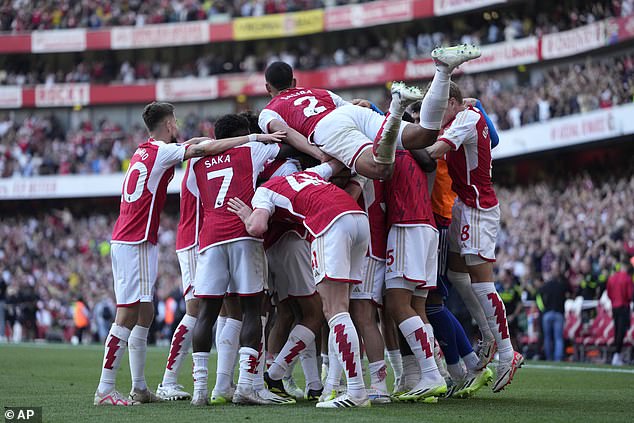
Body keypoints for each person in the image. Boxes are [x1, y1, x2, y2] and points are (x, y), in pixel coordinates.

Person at [94, 102, 279, 406]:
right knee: (127, 313)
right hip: (135, 239)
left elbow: (191, 148)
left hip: (135, 237)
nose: (178, 124)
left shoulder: (145, 150)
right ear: (168, 125)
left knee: (145, 312)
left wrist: (194, 143)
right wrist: (253, 139)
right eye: (175, 120)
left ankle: (140, 387)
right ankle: (105, 388)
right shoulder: (163, 152)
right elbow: (204, 150)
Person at [229, 160, 372, 408]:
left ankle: (355, 392)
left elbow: (257, 226)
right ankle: (331, 387)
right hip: (358, 218)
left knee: (331, 311)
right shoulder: (310, 174)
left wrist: (245, 215)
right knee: (335, 311)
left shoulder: (266, 189)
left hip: (329, 224)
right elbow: (336, 163)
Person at [425, 82, 524, 393]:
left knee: (482, 284)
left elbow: (435, 152)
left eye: (441, 107)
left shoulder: (465, 120)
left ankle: (507, 352)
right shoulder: (464, 113)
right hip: (463, 206)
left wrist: (395, 150)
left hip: (479, 209)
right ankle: (488, 335)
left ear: (453, 102)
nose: (437, 115)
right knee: (455, 272)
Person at [187, 113, 291, 406]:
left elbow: (199, 192)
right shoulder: (251, 147)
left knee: (207, 312)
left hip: (211, 236)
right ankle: (246, 386)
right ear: (242, 132)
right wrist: (262, 136)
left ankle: (199, 391)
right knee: (250, 308)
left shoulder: (197, 161)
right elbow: (286, 146)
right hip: (243, 234)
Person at [258, 45, 481, 180]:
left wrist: (318, 154)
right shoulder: (318, 91)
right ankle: (442, 71)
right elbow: (351, 109)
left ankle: (396, 109)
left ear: (268, 88)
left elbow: (285, 132)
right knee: (424, 135)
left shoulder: (268, 111)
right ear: (294, 82)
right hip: (350, 113)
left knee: (381, 169)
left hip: (326, 128)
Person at [536, 268, 569, 362]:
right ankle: (558, 358)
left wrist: (543, 309)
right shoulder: (562, 285)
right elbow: (569, 294)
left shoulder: (546, 286)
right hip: (558, 313)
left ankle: (549, 357)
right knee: (558, 338)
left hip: (547, 314)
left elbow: (538, 296)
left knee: (547, 337)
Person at [606, 262, 634, 366]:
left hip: (615, 307)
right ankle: (617, 354)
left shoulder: (612, 278)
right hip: (623, 307)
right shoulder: (627, 278)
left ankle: (616, 354)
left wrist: (614, 301)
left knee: (617, 330)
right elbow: (630, 294)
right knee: (621, 332)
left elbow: (609, 293)